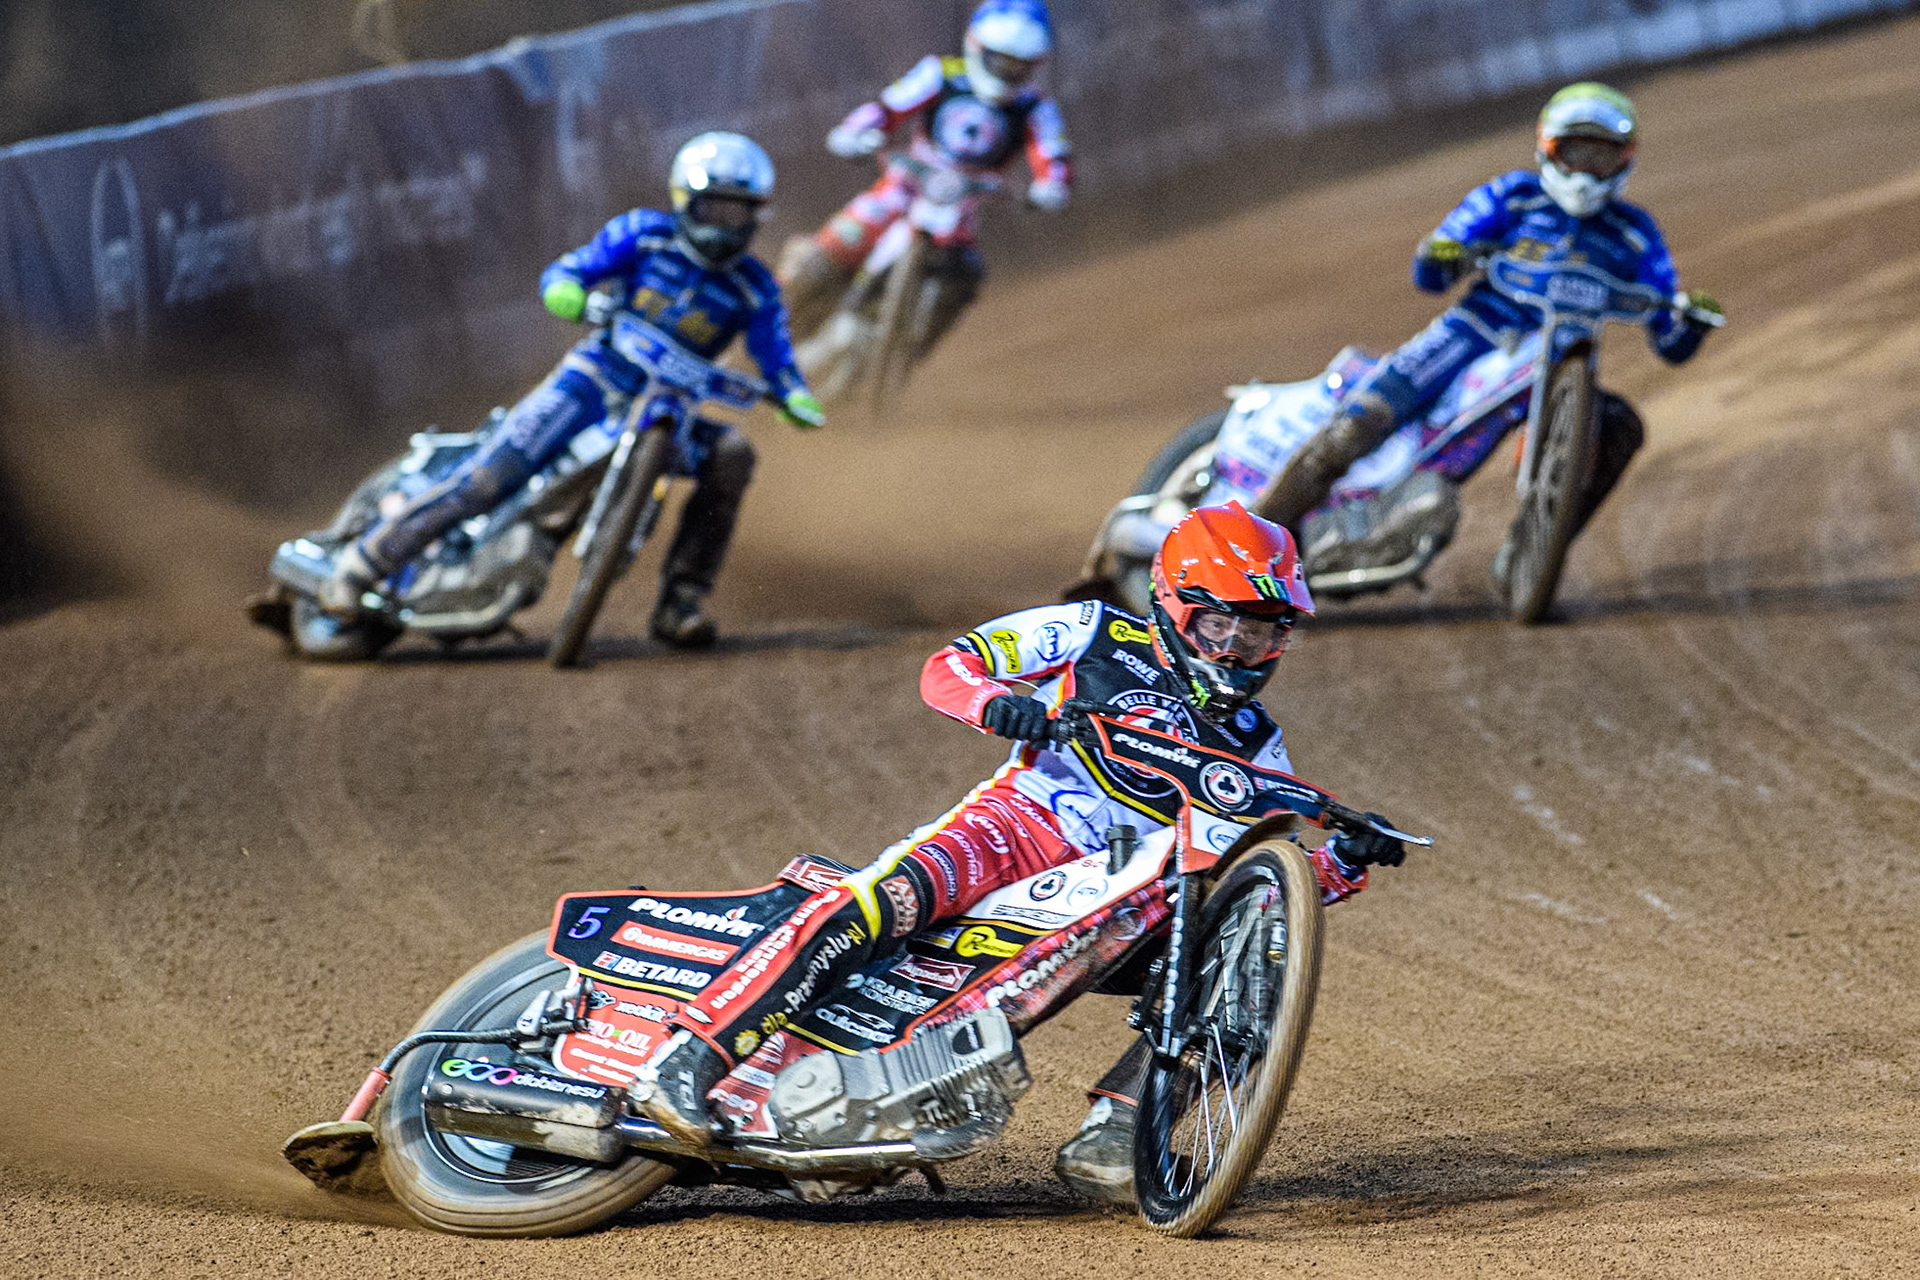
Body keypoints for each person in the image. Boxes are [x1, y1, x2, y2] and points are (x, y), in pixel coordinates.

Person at [633, 501, 1406, 1205]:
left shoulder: (1255, 741)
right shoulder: (1094, 630)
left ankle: (1119, 1131)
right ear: (1174, 606)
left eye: (1263, 632)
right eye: (1222, 627)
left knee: (1254, 959)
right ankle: (691, 1058)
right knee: (879, 906)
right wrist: (998, 706)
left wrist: (1344, 861)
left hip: (1119, 892)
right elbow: (950, 667)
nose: (1239, 651)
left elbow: (1257, 885)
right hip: (1013, 828)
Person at [323, 132, 827, 648]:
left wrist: (794, 394)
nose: (723, 225)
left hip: (672, 405)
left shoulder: (755, 287)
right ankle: (361, 565)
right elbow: (572, 270)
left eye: (736, 212)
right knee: (492, 476)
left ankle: (682, 602)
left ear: (756, 216)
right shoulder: (643, 234)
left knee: (733, 453)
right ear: (685, 200)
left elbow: (776, 355)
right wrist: (566, 290)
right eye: (714, 208)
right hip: (594, 379)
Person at [1252, 82, 1722, 583]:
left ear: (1624, 160)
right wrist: (1444, 254)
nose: (1585, 172)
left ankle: (1533, 552)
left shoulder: (1635, 232)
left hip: (1561, 366)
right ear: (1548, 148)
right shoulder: (1512, 196)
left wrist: (1689, 323)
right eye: (1574, 152)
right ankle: (1250, 541)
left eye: (1600, 157)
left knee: (1623, 427)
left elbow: (1669, 342)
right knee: (1356, 427)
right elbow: (1431, 270)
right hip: (1470, 334)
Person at [777, 0, 1073, 351]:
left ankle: (910, 350)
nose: (1008, 73)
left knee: (964, 279)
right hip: (904, 185)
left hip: (961, 207)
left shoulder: (1035, 108)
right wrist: (855, 132)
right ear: (978, 48)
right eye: (1001, 61)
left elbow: (1052, 154)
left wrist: (1051, 186)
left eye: (1019, 67)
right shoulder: (941, 74)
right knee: (832, 248)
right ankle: (765, 324)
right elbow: (888, 108)